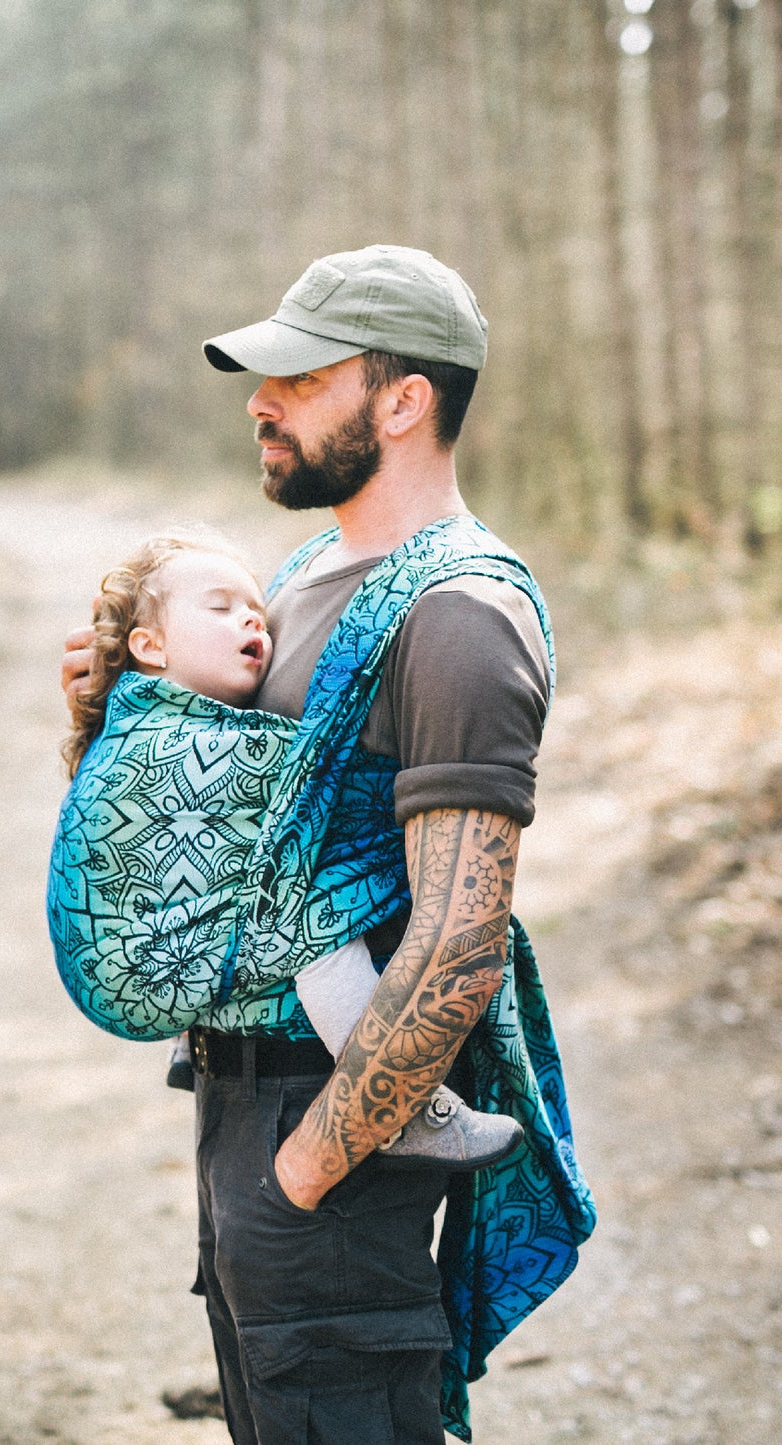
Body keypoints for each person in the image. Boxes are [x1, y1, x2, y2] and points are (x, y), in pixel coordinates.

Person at [57, 245, 595, 1444]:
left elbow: (457, 939)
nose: (262, 400)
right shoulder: (302, 577)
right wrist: (116, 718)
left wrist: (304, 1168)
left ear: (402, 401)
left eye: (300, 377)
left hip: (329, 1133)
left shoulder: (456, 615)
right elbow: (226, 823)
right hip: (245, 1110)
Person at [50, 528, 523, 1171]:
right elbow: (322, 772)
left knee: (251, 874)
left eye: (257, 612)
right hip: (140, 965)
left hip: (165, 979)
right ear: (149, 645)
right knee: (316, 915)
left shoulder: (151, 718)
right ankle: (401, 1108)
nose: (252, 619)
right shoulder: (177, 741)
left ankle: (198, 1033)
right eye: (220, 608)